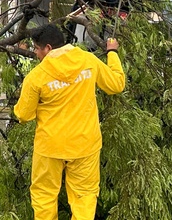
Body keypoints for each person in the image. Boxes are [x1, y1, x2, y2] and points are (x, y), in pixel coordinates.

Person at [13, 24, 126, 220]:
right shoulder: (88, 61)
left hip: (50, 147)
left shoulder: (36, 77)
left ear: (48, 48)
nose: (36, 53)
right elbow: (116, 85)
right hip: (85, 144)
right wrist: (113, 52)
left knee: (44, 197)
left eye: (37, 49)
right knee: (84, 198)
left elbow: (23, 115)